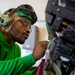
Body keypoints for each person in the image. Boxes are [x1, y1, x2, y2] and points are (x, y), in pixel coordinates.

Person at [0, 4, 48, 75]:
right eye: (25, 24)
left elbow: (16, 73)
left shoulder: (16, 49)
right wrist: (33, 57)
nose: (29, 30)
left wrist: (40, 71)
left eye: (30, 27)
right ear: (7, 20)